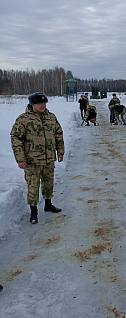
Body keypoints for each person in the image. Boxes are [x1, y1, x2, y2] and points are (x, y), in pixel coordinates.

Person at [10, 92, 64, 224]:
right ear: (32, 104)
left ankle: (48, 204)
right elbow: (16, 139)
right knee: (33, 186)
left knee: (48, 182)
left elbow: (58, 134)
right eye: (40, 103)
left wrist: (60, 151)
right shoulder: (23, 119)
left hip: (48, 158)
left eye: (44, 103)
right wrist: (20, 158)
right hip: (32, 161)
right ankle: (33, 212)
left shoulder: (51, 117)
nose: (43, 105)